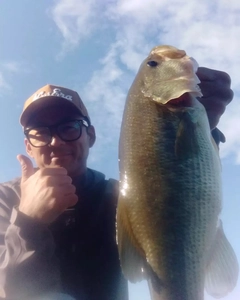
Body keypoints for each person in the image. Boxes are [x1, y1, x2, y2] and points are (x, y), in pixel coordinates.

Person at [0, 67, 234, 300]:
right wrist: (28, 222)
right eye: (40, 133)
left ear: (90, 136)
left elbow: (179, 203)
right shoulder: (5, 198)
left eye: (69, 127)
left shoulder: (117, 195)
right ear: (28, 146)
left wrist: (200, 132)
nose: (56, 141)